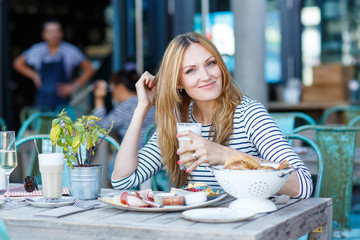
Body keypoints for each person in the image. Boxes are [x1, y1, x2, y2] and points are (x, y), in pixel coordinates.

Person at [111, 32, 313, 198]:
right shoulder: (180, 123)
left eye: (211, 63)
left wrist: (226, 155)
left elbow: (303, 186)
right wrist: (142, 108)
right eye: (191, 71)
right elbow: (122, 180)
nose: (206, 77)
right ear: (178, 82)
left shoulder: (248, 114)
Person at [13, 19, 95, 110]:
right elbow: (18, 63)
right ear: (43, 35)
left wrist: (74, 86)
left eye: (57, 31)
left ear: (61, 33)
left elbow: (90, 68)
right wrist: (34, 76)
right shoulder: (37, 50)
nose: (54, 35)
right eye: (50, 32)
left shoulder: (70, 51)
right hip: (42, 100)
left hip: (63, 100)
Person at [91, 70, 155, 149]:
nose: (111, 94)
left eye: (111, 88)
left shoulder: (125, 107)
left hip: (136, 154)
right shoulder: (149, 101)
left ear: (120, 88)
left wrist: (99, 99)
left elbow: (100, 129)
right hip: (153, 152)